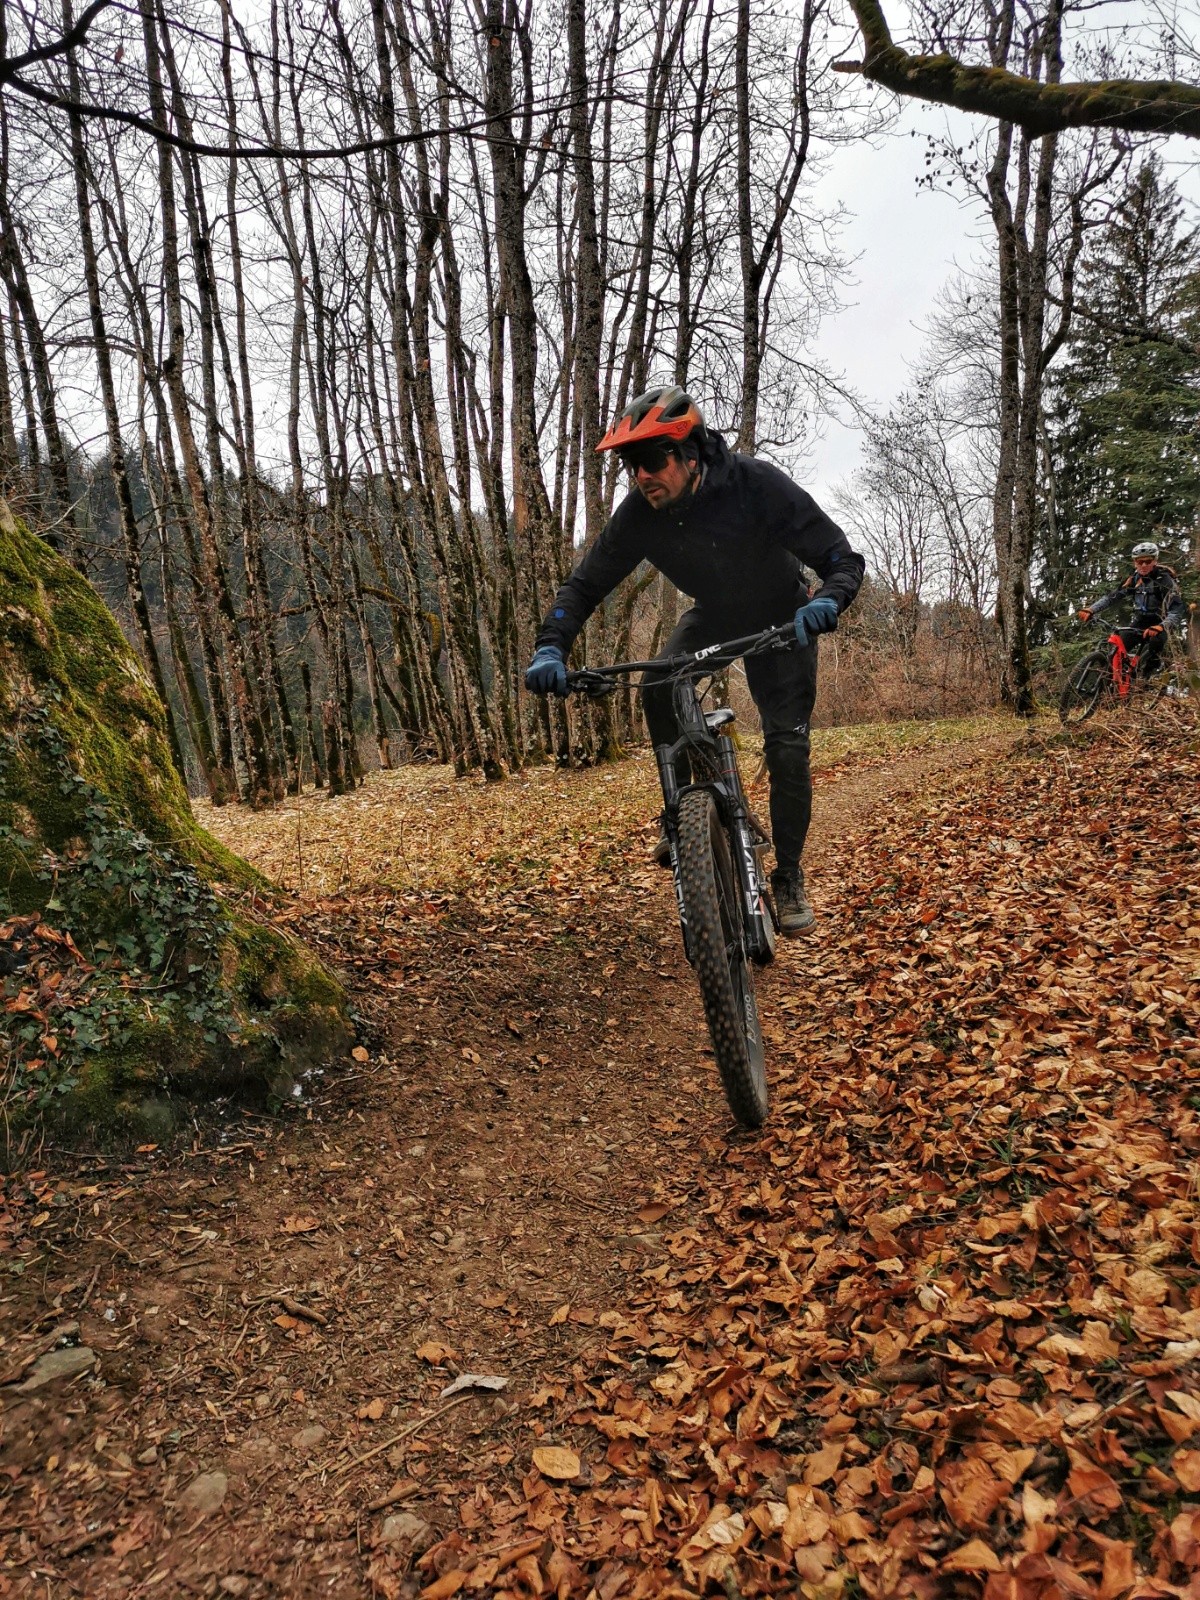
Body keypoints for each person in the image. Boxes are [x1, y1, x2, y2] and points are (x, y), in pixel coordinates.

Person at [524, 385, 865, 935]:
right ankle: (683, 811)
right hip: (716, 614)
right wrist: (550, 647)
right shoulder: (640, 514)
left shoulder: (756, 485)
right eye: (631, 465)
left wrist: (828, 600)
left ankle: (789, 877)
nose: (641, 475)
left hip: (783, 614)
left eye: (652, 460)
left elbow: (840, 557)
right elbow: (584, 586)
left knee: (786, 746)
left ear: (691, 453)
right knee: (660, 681)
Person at [1078, 541, 1185, 677]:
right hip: (1140, 620)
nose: (1144, 565)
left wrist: (1162, 626)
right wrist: (1092, 609)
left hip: (1160, 622)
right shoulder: (1134, 579)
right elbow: (1112, 597)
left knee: (1155, 645)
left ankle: (1148, 678)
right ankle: (1114, 684)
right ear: (1135, 562)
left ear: (1155, 561)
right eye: (1140, 562)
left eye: (1148, 561)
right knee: (1118, 651)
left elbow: (1177, 609)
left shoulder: (1165, 580)